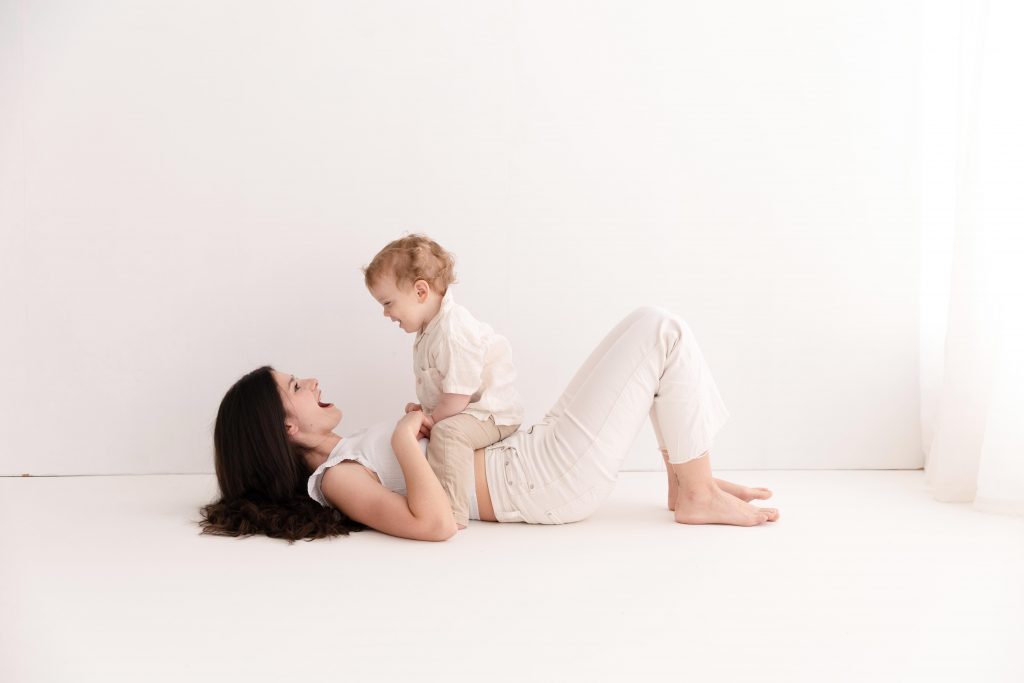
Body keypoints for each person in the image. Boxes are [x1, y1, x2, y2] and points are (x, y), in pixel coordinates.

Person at [199, 307, 778, 543]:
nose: (313, 383)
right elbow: (434, 525)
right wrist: (405, 440)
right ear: (286, 430)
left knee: (652, 334)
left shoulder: (345, 453)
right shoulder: (333, 478)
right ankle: (694, 489)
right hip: (539, 479)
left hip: (532, 457)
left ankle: (686, 482)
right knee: (659, 330)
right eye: (296, 387)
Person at [362, 234, 522, 529]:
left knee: (447, 434)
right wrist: (424, 409)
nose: (386, 313)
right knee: (435, 424)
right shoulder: (429, 329)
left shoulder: (452, 331)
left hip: (491, 413)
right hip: (467, 409)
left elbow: (459, 397)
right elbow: (444, 388)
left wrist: (432, 419)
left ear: (420, 291)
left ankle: (451, 512)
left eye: (388, 303)